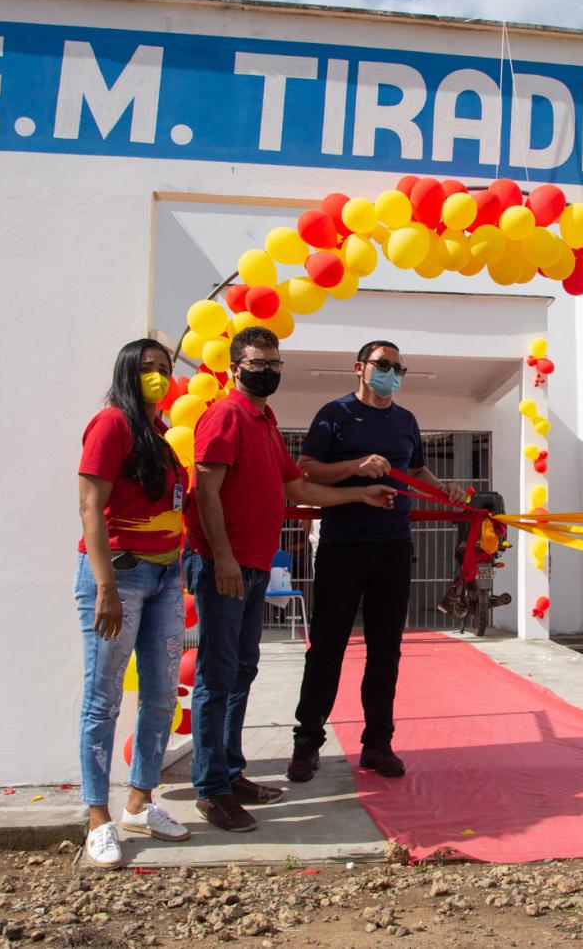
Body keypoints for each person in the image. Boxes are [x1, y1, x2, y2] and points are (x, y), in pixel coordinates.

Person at [184, 327, 396, 832]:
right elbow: (205, 491)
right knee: (216, 678)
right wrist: (224, 557)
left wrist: (358, 497)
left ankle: (230, 772)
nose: (270, 371)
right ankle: (211, 789)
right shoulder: (225, 415)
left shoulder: (264, 421)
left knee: (240, 671)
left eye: (276, 363)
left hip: (255, 564)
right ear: (236, 368)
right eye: (260, 363)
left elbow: (298, 486)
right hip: (226, 566)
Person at [287, 341, 467, 783]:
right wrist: (355, 466)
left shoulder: (406, 421)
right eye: (383, 365)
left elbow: (417, 471)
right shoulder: (335, 414)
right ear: (360, 368)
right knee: (327, 647)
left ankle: (378, 744)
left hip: (393, 546)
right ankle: (307, 742)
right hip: (343, 546)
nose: (392, 372)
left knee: (385, 651)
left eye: (398, 366)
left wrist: (447, 491)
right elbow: (306, 469)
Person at [75, 339, 191, 868]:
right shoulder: (112, 425)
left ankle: (141, 803)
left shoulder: (161, 435)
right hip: (120, 578)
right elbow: (90, 506)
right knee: (103, 699)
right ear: (127, 372)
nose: (158, 377)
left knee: (161, 696)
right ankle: (98, 817)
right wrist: (103, 587)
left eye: (164, 369)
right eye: (147, 369)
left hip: (167, 576)